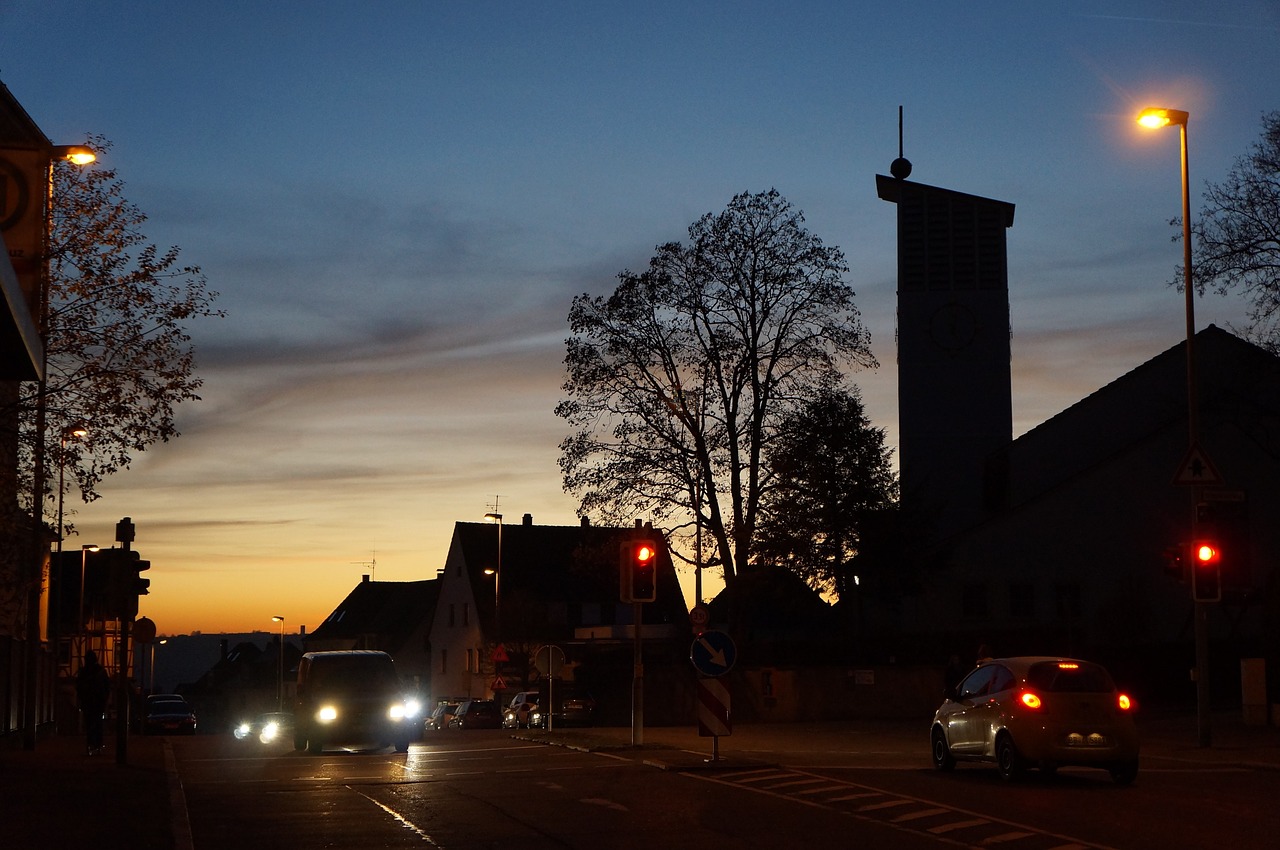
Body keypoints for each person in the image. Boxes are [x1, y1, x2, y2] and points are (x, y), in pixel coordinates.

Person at [76, 650, 112, 755]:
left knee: (89, 724)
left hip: (87, 702)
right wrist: (104, 700)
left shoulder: (83, 672)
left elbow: (79, 687)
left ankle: (90, 744)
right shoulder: (101, 671)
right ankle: (98, 744)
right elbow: (107, 687)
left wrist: (81, 700)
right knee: (98, 723)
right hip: (98, 703)